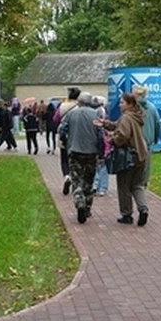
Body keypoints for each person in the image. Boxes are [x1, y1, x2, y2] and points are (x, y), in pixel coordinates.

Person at [103, 92, 150, 226]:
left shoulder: (126, 117)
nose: (120, 104)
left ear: (130, 104)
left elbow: (122, 135)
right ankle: (143, 208)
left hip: (128, 157)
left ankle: (127, 214)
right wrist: (106, 124)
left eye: (122, 102)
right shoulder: (136, 116)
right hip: (141, 156)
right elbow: (118, 126)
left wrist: (112, 140)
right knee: (137, 185)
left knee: (124, 186)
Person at [59, 92, 103, 223]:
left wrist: (66, 142)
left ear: (79, 101)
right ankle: (87, 207)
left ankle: (79, 201)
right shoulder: (96, 115)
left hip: (74, 150)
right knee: (89, 180)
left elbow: (62, 130)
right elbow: (101, 135)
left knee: (76, 178)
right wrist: (101, 152)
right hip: (91, 151)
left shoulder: (71, 114)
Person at [132, 85, 161, 191]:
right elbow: (158, 124)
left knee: (133, 164)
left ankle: (134, 185)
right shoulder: (152, 107)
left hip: (134, 141)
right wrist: (155, 138)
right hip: (148, 141)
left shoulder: (132, 108)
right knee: (146, 165)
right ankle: (143, 185)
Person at [54, 87, 81, 194]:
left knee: (64, 158)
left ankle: (66, 176)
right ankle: (75, 179)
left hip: (64, 135)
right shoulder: (80, 107)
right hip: (77, 135)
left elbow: (55, 119)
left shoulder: (63, 106)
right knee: (75, 159)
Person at [91, 96, 110, 196]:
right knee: (102, 167)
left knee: (97, 166)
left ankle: (96, 185)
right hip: (103, 145)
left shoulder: (92, 115)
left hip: (98, 145)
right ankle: (102, 187)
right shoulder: (104, 112)